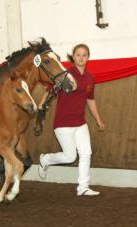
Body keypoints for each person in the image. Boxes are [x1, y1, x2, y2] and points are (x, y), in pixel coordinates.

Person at [38, 43, 105, 196]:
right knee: (70, 157)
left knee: (86, 153)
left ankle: (83, 187)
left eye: (84, 55)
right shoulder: (65, 75)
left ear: (88, 58)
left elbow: (91, 100)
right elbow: (49, 91)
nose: (81, 57)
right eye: (78, 54)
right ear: (73, 57)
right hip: (63, 123)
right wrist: (41, 106)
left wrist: (98, 120)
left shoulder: (89, 78)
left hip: (80, 123)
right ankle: (45, 160)